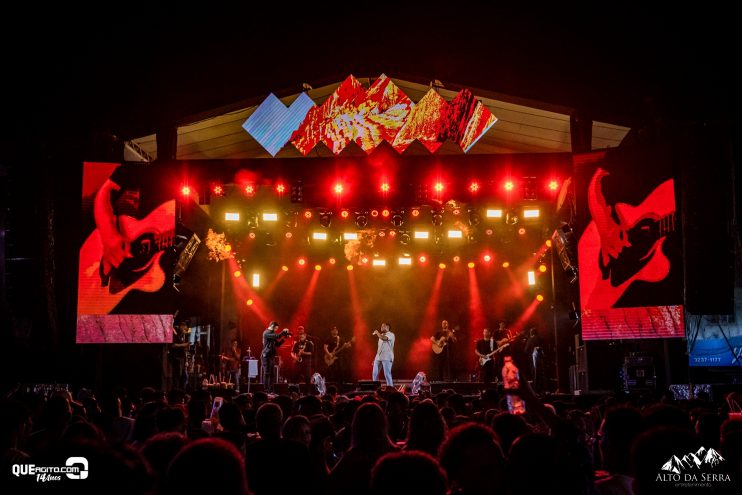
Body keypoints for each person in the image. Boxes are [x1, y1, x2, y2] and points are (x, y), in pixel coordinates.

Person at [261, 321, 291, 393]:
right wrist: (283, 331)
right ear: (272, 326)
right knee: (267, 373)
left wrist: (284, 339)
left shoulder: (272, 334)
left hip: (271, 356)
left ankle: (271, 390)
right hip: (266, 356)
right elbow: (277, 336)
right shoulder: (266, 333)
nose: (276, 330)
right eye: (276, 328)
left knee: (272, 374)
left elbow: (277, 344)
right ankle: (266, 390)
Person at [291, 327, 314, 393]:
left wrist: (303, 353)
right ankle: (294, 392)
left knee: (307, 378)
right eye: (300, 337)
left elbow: (311, 353)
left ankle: (308, 393)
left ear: (305, 336)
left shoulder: (309, 343)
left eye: (302, 337)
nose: (301, 338)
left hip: (307, 364)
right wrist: (295, 358)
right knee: (295, 377)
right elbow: (292, 352)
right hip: (298, 363)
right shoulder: (296, 344)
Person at [169, 320, 191, 390]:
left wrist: (186, 360)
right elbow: (173, 345)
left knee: (185, 377)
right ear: (181, 326)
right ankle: (177, 390)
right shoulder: (176, 334)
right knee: (177, 376)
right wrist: (184, 344)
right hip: (177, 358)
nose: (185, 329)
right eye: (184, 327)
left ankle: (181, 390)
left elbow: (184, 349)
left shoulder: (182, 335)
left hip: (182, 359)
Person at [372, 323, 395, 387]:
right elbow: (379, 348)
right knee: (375, 373)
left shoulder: (391, 334)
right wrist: (375, 358)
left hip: (387, 357)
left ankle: (390, 388)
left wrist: (377, 333)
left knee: (387, 374)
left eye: (383, 326)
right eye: (381, 326)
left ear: (387, 327)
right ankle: (375, 388)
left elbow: (384, 338)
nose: (381, 327)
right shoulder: (381, 335)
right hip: (378, 357)